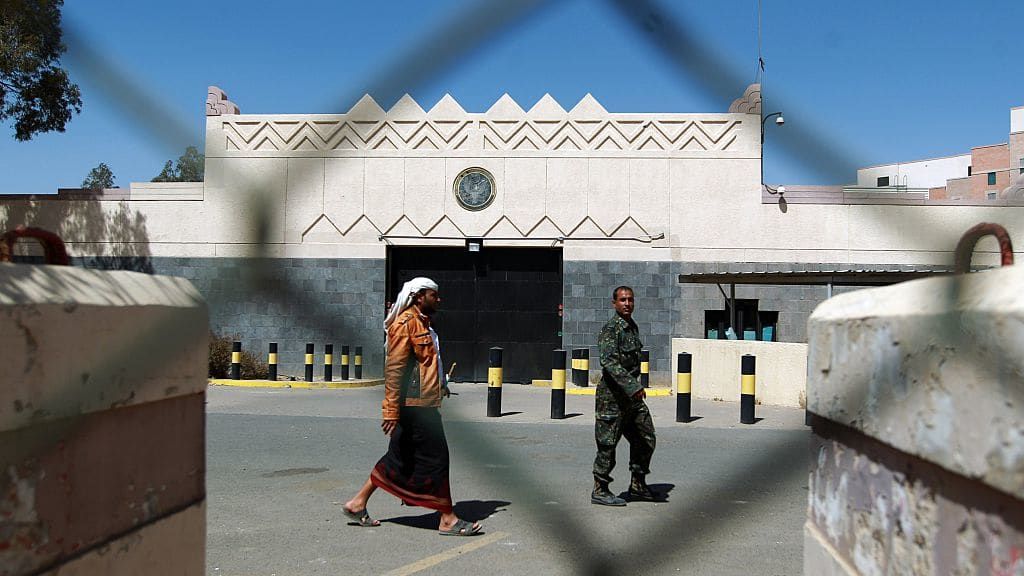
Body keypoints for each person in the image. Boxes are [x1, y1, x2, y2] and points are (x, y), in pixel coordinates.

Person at [342, 277, 482, 536]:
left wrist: (440, 384)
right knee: (437, 459)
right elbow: (395, 370)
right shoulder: (405, 324)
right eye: (433, 295)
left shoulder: (423, 324)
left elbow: (426, 365)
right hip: (415, 407)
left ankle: (357, 503)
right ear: (419, 296)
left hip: (424, 402)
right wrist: (391, 410)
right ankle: (447, 518)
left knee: (399, 457)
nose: (438, 299)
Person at [591, 285, 658, 506]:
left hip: (631, 398)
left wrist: (633, 390)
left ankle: (637, 484)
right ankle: (600, 489)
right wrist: (632, 386)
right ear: (614, 303)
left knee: (645, 437)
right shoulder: (611, 329)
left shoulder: (631, 327)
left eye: (630, 300)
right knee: (608, 444)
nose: (627, 303)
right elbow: (609, 362)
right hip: (612, 397)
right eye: (622, 300)